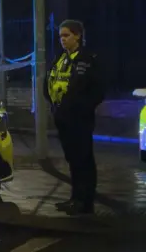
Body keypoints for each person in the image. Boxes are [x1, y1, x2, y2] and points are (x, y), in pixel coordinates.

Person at [43, 19, 105, 215]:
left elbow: (97, 90)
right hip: (62, 117)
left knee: (83, 160)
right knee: (72, 159)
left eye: (67, 35)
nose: (62, 39)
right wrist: (54, 105)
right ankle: (75, 198)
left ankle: (85, 202)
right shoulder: (61, 58)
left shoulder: (88, 59)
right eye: (61, 36)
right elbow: (51, 81)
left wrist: (82, 108)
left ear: (78, 35)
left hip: (79, 119)